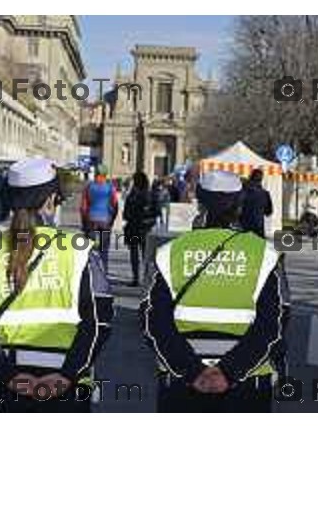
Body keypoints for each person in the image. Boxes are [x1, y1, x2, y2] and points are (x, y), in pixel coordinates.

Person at [0, 157, 114, 412]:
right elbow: (100, 320)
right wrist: (68, 374)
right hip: (67, 387)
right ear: (51, 201)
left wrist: (7, 376)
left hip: (5, 389)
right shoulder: (81, 251)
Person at [140, 170, 290, 413]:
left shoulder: (169, 253)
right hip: (247, 382)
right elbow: (275, 323)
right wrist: (229, 372)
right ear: (239, 205)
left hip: (181, 381)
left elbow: (153, 322)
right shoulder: (265, 254)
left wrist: (194, 371)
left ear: (199, 203)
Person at [80, 163, 118, 273]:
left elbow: (83, 207)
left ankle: (91, 271)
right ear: (105, 175)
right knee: (104, 249)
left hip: (91, 220)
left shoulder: (89, 187)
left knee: (90, 248)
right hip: (105, 221)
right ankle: (103, 271)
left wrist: (84, 222)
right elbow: (115, 205)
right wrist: (112, 220)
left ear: (96, 174)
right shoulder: (110, 188)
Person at [123, 171, 157, 286]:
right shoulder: (149, 194)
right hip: (143, 229)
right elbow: (155, 212)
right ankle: (144, 278)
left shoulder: (133, 195)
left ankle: (136, 278)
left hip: (135, 228)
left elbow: (126, 214)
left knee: (136, 254)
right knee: (144, 254)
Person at [239, 168, 273, 238]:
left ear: (250, 177)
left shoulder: (242, 190)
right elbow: (268, 212)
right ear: (261, 179)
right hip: (258, 230)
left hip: (242, 229)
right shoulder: (265, 194)